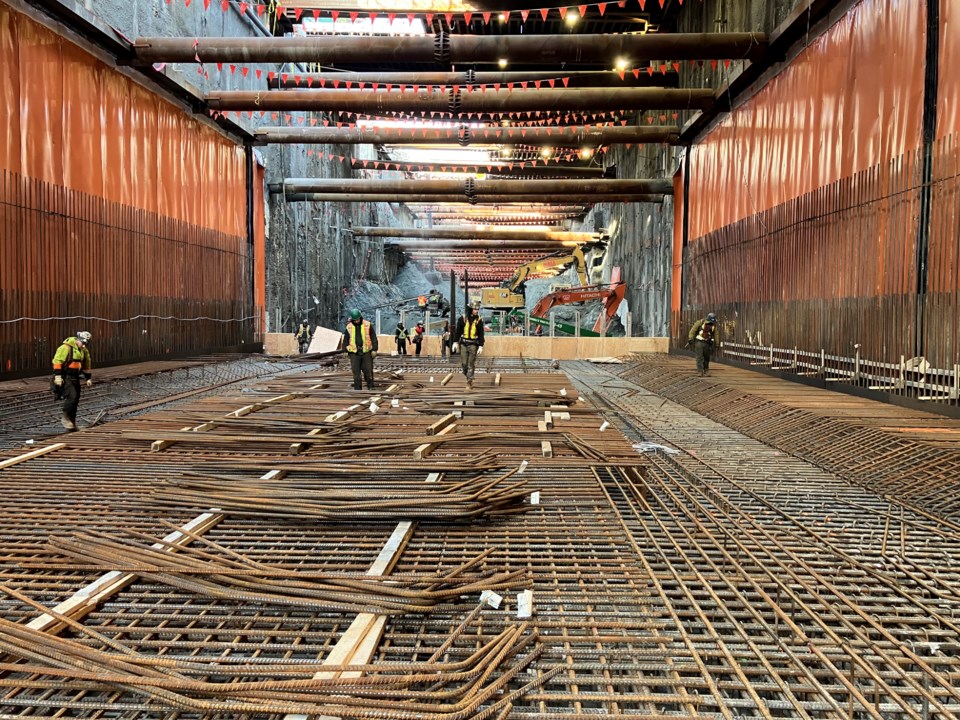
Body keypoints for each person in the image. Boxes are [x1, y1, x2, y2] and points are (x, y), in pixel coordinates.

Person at [51, 331, 93, 431]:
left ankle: (72, 424)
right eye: (82, 343)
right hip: (65, 377)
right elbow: (57, 362)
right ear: (77, 339)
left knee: (76, 399)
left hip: (75, 377)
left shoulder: (83, 350)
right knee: (72, 396)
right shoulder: (65, 348)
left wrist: (88, 378)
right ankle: (65, 417)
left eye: (85, 343)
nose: (83, 345)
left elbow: (87, 364)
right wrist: (58, 377)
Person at [343, 309, 378, 390]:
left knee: (368, 370)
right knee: (356, 372)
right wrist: (344, 350)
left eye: (358, 319)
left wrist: (374, 349)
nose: (357, 321)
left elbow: (373, 338)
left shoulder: (367, 325)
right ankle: (358, 388)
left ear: (361, 317)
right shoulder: (349, 327)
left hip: (366, 351)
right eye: (355, 320)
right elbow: (345, 340)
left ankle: (370, 386)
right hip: (354, 352)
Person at [453, 304, 484, 388]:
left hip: (473, 344)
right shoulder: (463, 319)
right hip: (464, 344)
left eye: (477, 309)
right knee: (464, 364)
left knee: (471, 363)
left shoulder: (478, 320)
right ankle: (468, 375)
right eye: (475, 309)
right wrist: (455, 342)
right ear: (470, 309)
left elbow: (481, 334)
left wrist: (481, 345)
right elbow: (458, 331)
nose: (476, 311)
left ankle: (469, 381)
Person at [687, 312, 718, 376]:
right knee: (699, 357)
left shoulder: (713, 325)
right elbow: (693, 331)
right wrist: (690, 338)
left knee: (707, 357)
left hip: (707, 342)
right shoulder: (700, 322)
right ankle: (700, 371)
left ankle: (706, 370)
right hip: (699, 342)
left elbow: (716, 334)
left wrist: (717, 343)